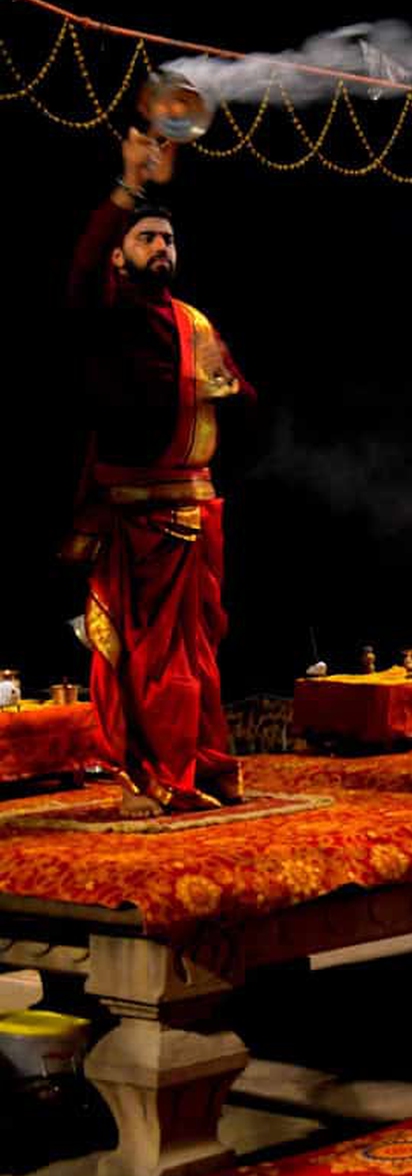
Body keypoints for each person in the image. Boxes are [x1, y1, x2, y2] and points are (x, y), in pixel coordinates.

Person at [65, 128, 252, 814]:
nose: (162, 250)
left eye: (168, 241)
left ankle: (200, 766)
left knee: (198, 655)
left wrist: (225, 388)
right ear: (121, 253)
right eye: (147, 239)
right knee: (149, 661)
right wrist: (128, 186)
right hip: (137, 519)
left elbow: (243, 404)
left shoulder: (194, 323)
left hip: (197, 515)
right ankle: (150, 776)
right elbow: (83, 268)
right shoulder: (107, 314)